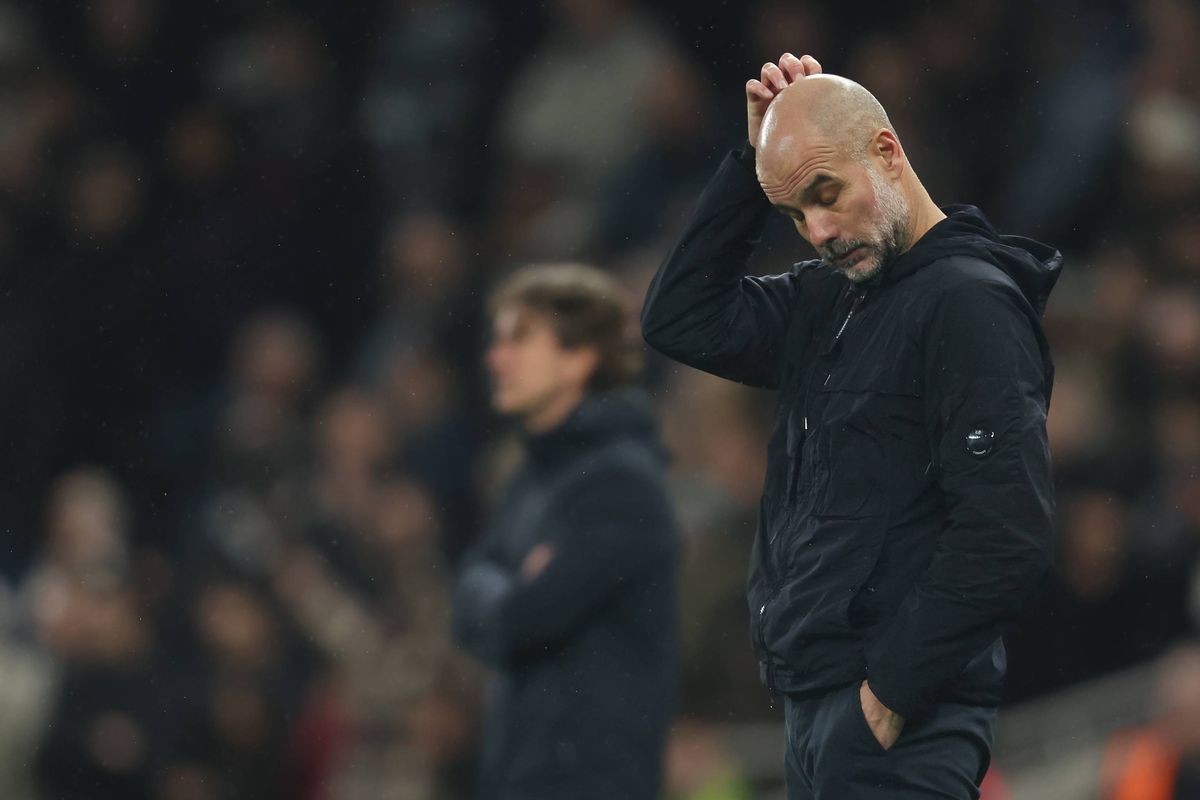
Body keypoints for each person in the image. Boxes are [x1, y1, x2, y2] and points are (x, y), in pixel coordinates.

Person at [641, 53, 1061, 799]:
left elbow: (1007, 529)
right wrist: (751, 163)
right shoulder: (829, 300)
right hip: (819, 717)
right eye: (795, 213)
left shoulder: (969, 303)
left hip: (898, 722)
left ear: (887, 150)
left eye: (826, 192)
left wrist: (891, 693)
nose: (820, 230)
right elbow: (680, 319)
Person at [452, 263, 679, 800]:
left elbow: (522, 620)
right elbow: (466, 597)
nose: (496, 358)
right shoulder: (533, 476)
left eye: (519, 339)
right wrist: (501, 589)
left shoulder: (619, 484)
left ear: (579, 358)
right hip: (527, 772)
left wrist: (497, 592)